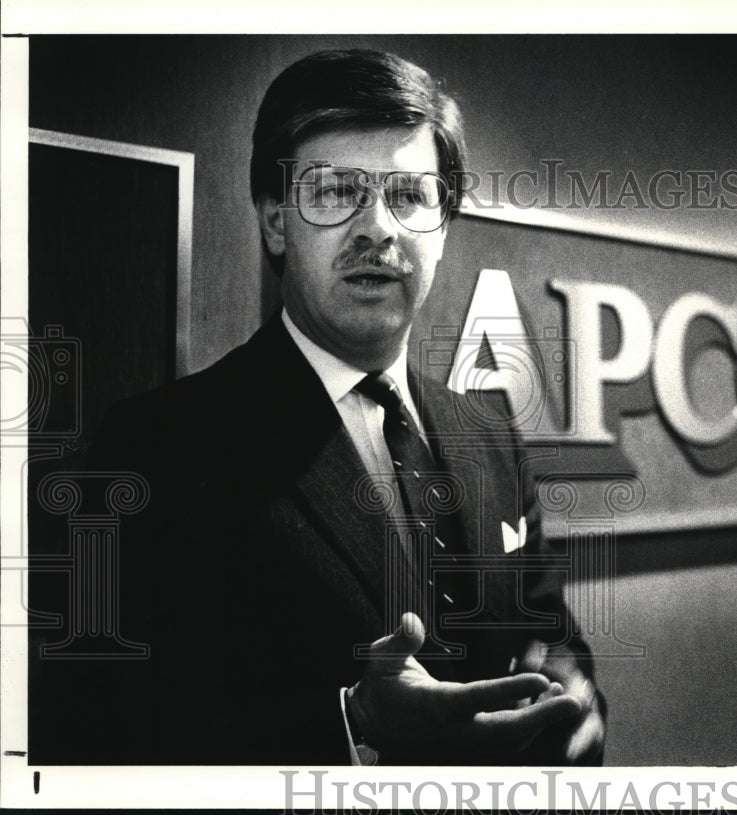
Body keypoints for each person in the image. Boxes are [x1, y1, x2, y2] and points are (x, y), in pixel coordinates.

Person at [65, 49, 605, 766]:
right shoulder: (156, 447)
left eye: (408, 196)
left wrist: (573, 692)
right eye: (335, 191)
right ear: (276, 222)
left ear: (442, 227)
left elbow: (547, 627)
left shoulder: (490, 433)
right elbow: (103, 734)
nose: (377, 227)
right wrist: (350, 725)